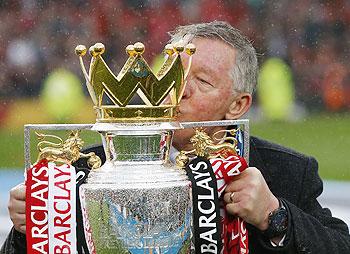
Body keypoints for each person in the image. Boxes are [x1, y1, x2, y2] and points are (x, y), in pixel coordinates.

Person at [2, 21, 350, 253]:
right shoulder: (85, 171)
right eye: (171, 73)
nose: (178, 89)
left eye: (202, 81)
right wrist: (25, 228)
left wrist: (275, 216)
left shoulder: (283, 172)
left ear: (237, 106)